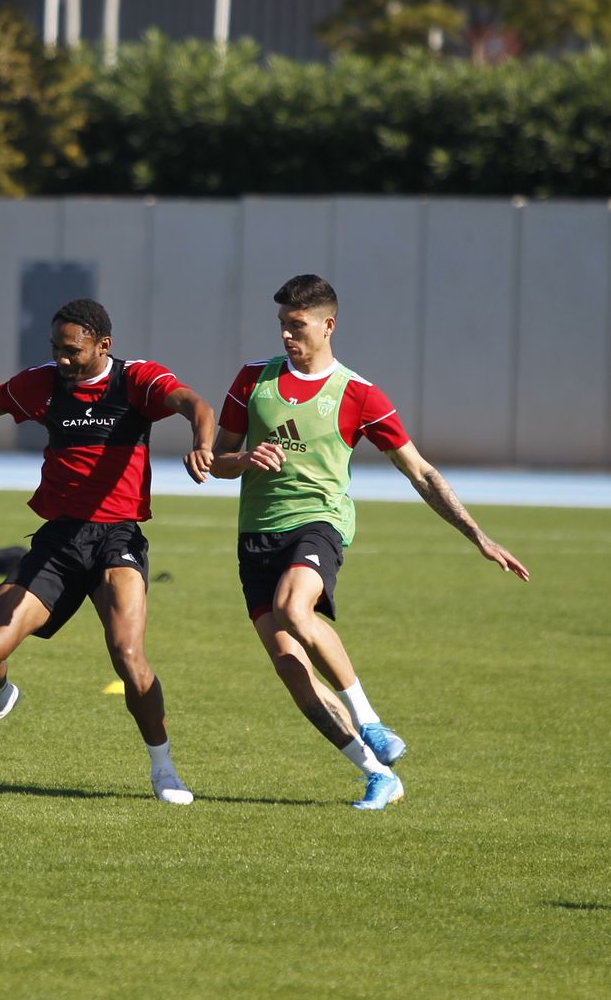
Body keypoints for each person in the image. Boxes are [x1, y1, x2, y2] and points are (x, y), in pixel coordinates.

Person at [209, 274, 529, 810]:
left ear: (328, 325)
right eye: (281, 324)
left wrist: (477, 534)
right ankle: (378, 774)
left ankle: (370, 720)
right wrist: (242, 459)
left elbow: (419, 472)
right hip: (255, 535)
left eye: (297, 325)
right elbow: (217, 461)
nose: (286, 334)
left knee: (293, 607)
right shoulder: (253, 379)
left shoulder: (358, 394)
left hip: (318, 524)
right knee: (291, 668)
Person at [0, 298, 214, 805]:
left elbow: (196, 405)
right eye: (55, 349)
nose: (61, 359)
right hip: (60, 541)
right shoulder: (41, 383)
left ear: (103, 345)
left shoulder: (135, 380)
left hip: (118, 538)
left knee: (128, 655)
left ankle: (164, 769)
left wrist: (202, 442)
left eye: (72, 351)